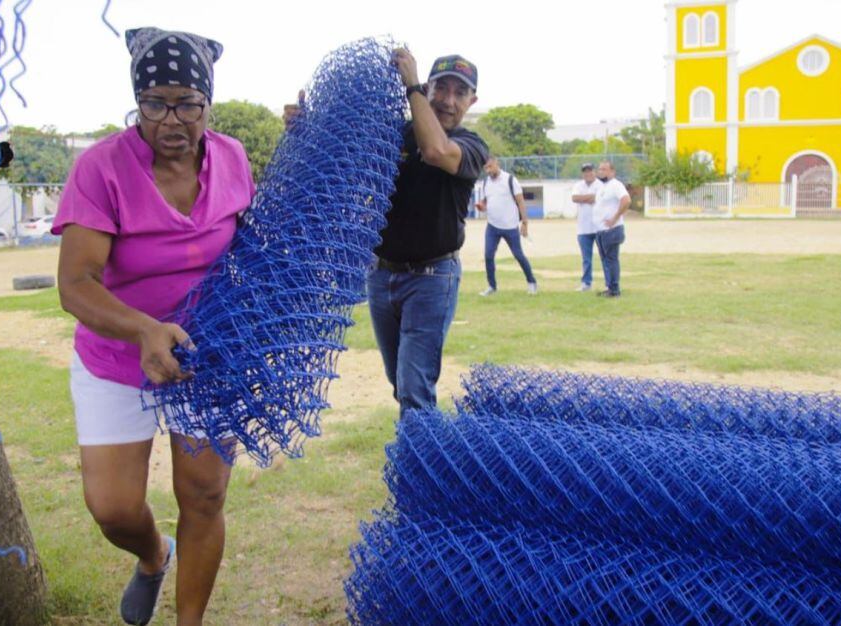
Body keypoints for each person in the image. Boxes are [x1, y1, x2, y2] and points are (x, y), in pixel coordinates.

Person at [52, 28, 254, 626]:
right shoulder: (102, 168)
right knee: (113, 508)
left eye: (188, 102)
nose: (173, 118)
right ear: (137, 103)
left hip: (208, 356)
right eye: (156, 102)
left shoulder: (233, 156)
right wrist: (144, 330)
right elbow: (76, 284)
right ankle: (151, 555)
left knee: (205, 495)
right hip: (118, 356)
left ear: (207, 104)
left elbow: (250, 245)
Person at [286, 51, 488, 413]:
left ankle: (421, 465)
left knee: (414, 386)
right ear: (431, 88)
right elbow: (341, 161)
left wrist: (411, 86)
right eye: (441, 88)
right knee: (401, 382)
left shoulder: (471, 146)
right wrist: (307, 130)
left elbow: (436, 150)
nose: (448, 100)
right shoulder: (393, 135)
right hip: (381, 276)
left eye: (461, 93)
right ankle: (418, 451)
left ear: (472, 101)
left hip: (432, 279)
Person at [475, 156, 537, 296]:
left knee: (518, 255)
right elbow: (486, 201)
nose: (488, 170)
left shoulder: (510, 180)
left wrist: (525, 223)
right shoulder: (486, 183)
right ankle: (492, 286)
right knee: (488, 256)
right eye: (486, 168)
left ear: (497, 163)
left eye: (490, 166)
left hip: (510, 226)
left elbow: (520, 202)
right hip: (492, 226)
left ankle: (531, 282)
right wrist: (482, 206)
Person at [591, 160, 630, 298]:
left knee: (611, 259)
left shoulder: (616, 185)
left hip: (612, 230)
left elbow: (626, 200)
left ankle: (614, 289)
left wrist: (615, 217)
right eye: (599, 169)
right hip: (601, 230)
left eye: (604, 169)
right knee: (605, 260)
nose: (600, 171)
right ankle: (609, 287)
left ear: (612, 171)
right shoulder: (602, 187)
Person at [570, 163, 602, 291]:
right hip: (583, 228)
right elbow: (575, 198)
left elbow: (599, 198)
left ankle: (609, 282)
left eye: (590, 171)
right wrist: (590, 198)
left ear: (594, 172)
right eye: (585, 172)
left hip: (599, 227)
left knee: (605, 257)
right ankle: (586, 283)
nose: (588, 174)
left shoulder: (600, 185)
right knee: (586, 259)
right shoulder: (578, 185)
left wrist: (584, 198)